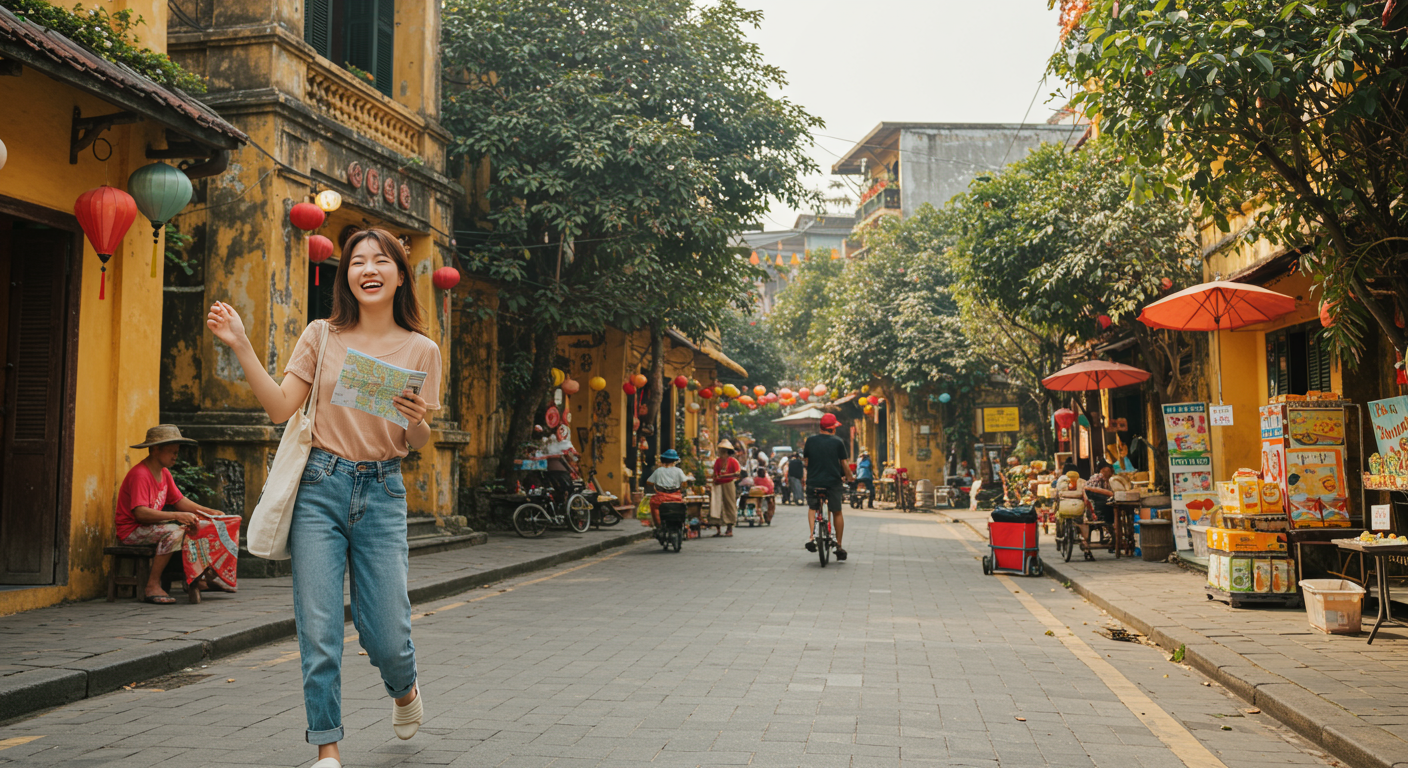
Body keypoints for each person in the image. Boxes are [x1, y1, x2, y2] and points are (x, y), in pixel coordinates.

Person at [207, 228, 440, 768]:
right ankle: (327, 749)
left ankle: (403, 687)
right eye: (357, 261)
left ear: (400, 274)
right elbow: (280, 407)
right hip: (319, 487)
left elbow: (415, 443)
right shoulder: (322, 335)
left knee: (386, 635)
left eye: (381, 260)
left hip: (382, 491)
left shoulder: (422, 350)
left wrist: (417, 421)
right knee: (319, 628)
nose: (368, 268)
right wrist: (242, 344)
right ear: (347, 277)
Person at [116, 425, 235, 604]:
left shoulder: (164, 473)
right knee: (176, 532)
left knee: (201, 525)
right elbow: (140, 514)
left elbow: (180, 501)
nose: (175, 456)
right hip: (132, 531)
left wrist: (209, 512)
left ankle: (200, 578)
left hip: (151, 528)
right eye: (172, 452)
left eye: (176, 452)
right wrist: (177, 516)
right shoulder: (140, 474)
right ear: (156, 449)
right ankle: (152, 584)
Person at [803, 413, 854, 559]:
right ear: (832, 428)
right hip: (833, 483)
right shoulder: (838, 442)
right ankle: (838, 545)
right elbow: (844, 463)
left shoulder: (810, 441)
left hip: (813, 482)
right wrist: (850, 477)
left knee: (813, 508)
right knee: (837, 511)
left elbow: (806, 461)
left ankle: (812, 537)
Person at [645, 449, 686, 528]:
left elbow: (649, 482)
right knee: (682, 506)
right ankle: (681, 525)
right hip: (676, 497)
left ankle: (658, 526)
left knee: (653, 504)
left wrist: (656, 485)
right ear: (674, 461)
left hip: (661, 497)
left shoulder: (658, 471)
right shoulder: (679, 471)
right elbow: (684, 483)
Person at [711, 440, 742, 537]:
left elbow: (737, 473)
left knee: (729, 504)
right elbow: (715, 473)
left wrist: (724, 476)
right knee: (716, 505)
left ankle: (729, 529)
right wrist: (716, 477)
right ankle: (718, 529)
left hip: (728, 484)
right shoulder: (718, 461)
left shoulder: (733, 461)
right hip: (718, 484)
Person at [1086, 461, 1117, 551]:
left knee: (1111, 506)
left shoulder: (1110, 481)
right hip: (1095, 503)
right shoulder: (1097, 477)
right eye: (1108, 471)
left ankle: (1112, 540)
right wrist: (1109, 494)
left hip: (1105, 504)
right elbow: (1088, 489)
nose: (1110, 473)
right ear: (1102, 470)